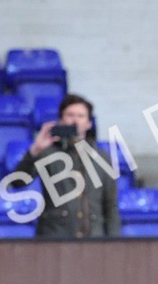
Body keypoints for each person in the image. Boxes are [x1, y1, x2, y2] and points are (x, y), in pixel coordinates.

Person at [13, 93, 120, 239]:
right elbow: (17, 182)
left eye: (81, 116)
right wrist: (35, 150)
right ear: (61, 120)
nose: (75, 120)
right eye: (70, 115)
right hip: (55, 237)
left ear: (89, 123)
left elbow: (110, 205)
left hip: (94, 238)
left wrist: (113, 242)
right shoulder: (48, 152)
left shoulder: (102, 157)